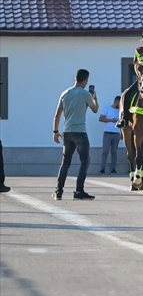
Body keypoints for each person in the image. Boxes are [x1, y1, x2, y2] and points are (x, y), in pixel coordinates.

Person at [52, 68, 98, 200]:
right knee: (85, 161)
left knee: (65, 162)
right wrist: (95, 98)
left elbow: (57, 114)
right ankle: (79, 191)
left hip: (67, 132)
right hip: (80, 132)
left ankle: (58, 191)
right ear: (85, 80)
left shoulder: (65, 93)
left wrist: (55, 132)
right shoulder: (85, 94)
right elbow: (95, 110)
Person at [98, 95, 122, 175]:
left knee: (114, 152)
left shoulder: (120, 111)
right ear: (116, 101)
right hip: (107, 132)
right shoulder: (107, 108)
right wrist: (111, 120)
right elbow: (101, 118)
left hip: (116, 133)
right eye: (119, 102)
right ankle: (102, 168)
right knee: (105, 151)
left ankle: (113, 169)